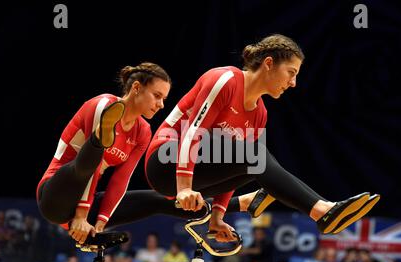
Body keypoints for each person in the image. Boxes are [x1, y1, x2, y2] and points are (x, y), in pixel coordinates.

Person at [144, 34, 381, 243]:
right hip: (164, 161)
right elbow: (192, 131)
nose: (293, 83)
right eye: (291, 72)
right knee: (254, 153)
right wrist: (184, 187)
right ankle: (321, 210)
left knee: (252, 160)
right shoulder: (225, 79)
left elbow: (234, 170)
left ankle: (321, 211)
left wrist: (217, 217)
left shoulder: (260, 114)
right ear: (269, 63)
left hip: (192, 176)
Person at [36, 62, 258, 245]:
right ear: (136, 89)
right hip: (56, 197)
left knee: (160, 199)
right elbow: (92, 170)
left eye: (164, 99)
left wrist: (102, 222)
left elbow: (120, 181)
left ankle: (241, 203)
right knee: (83, 167)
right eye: (157, 96)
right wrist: (82, 216)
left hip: (87, 204)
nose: (161, 105)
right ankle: (98, 138)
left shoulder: (142, 131)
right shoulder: (102, 105)